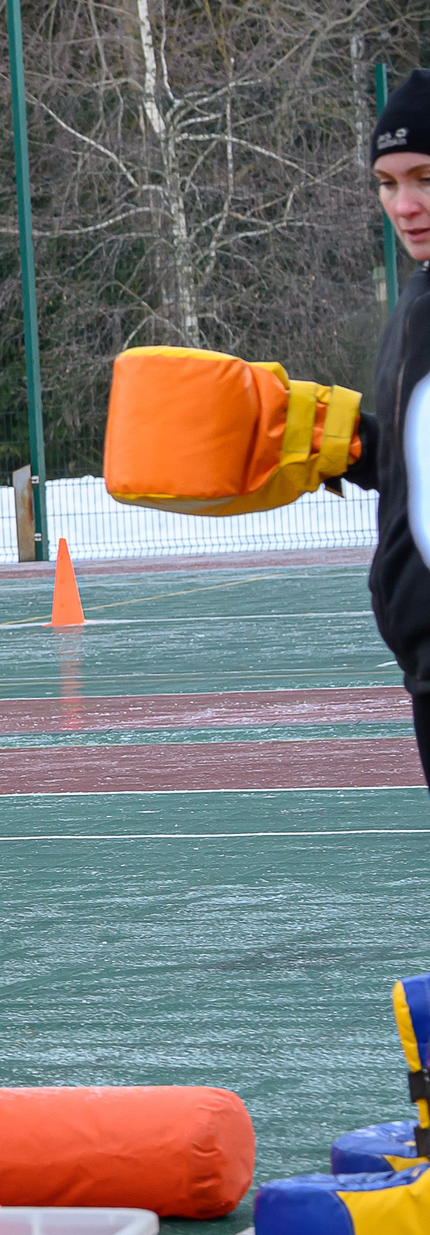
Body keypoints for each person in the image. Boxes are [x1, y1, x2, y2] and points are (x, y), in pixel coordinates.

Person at [347, 70, 430, 793]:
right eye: (386, 182)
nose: (404, 206)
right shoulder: (418, 296)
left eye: (426, 177)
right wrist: (343, 444)